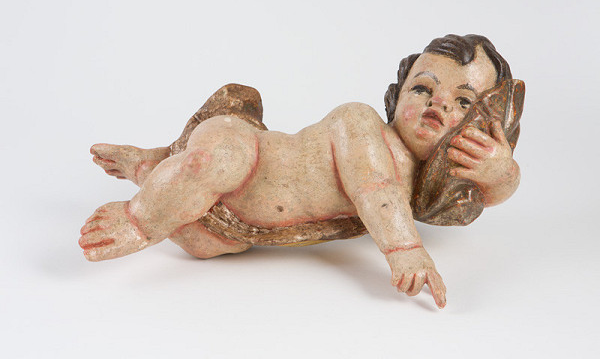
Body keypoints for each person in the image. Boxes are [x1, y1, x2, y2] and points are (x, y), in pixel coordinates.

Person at [80, 34, 521, 308]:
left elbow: (480, 198)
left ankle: (150, 166)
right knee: (213, 163)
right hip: (245, 150)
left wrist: (500, 173)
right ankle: (138, 218)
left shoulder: (424, 187)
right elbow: (374, 188)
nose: (438, 104)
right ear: (396, 94)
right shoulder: (361, 123)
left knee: (204, 244)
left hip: (242, 224)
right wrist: (404, 249)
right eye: (422, 88)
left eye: (463, 101)